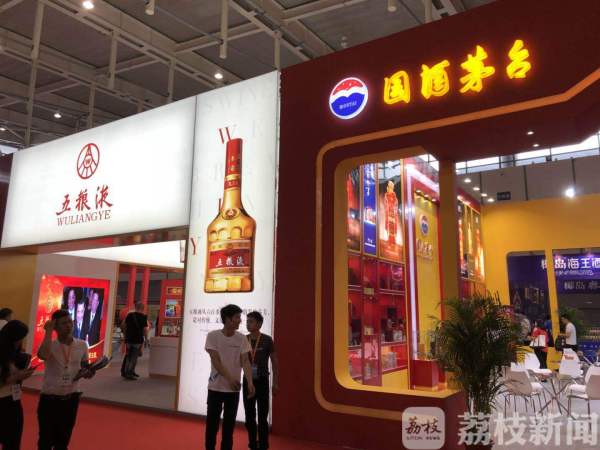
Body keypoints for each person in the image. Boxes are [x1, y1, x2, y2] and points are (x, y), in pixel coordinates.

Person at [37, 309, 96, 450]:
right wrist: (48, 332)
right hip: (50, 399)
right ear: (55, 326)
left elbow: (84, 366)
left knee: (63, 440)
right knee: (45, 440)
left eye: (70, 322)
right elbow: (42, 355)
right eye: (64, 323)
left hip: (71, 398)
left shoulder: (82, 344)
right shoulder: (50, 344)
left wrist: (88, 372)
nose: (69, 325)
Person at [205, 305, 255, 450]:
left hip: (233, 391)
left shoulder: (241, 338)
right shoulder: (213, 336)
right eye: (237, 317)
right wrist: (230, 379)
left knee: (229, 427)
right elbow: (216, 361)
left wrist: (250, 382)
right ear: (227, 319)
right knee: (212, 426)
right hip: (215, 388)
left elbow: (245, 361)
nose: (240, 320)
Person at [243, 311, 278, 450]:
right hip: (248, 381)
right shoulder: (243, 340)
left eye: (251, 321)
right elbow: (240, 361)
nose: (247, 324)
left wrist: (275, 382)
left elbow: (274, 361)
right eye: (247, 321)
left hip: (262, 381)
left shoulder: (267, 340)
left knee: (262, 416)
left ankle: (263, 445)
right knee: (249, 416)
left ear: (259, 324)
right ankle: (252, 444)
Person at [0, 320, 34, 450]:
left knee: (13, 442)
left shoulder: (18, 355)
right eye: (19, 338)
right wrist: (17, 377)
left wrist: (22, 375)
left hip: (13, 401)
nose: (21, 342)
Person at [121, 302, 148, 380]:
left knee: (128, 355)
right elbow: (145, 329)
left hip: (129, 339)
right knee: (134, 357)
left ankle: (126, 371)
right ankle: (129, 373)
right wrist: (146, 339)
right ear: (143, 308)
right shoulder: (143, 317)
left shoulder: (130, 315)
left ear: (135, 307)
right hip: (137, 339)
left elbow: (123, 325)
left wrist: (125, 334)